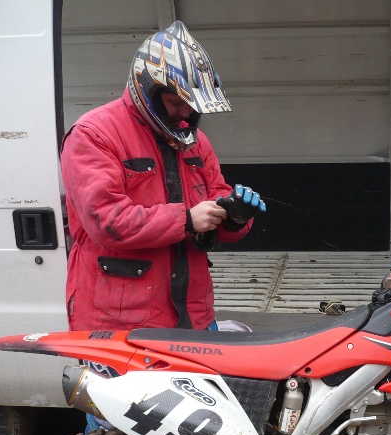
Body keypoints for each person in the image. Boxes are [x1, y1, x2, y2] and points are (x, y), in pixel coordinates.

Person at [60, 20, 265, 335]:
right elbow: (107, 221)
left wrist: (234, 217)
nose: (185, 114)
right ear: (147, 90)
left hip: (193, 317)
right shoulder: (94, 135)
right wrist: (187, 219)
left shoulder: (196, 142)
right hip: (119, 323)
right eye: (175, 103)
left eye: (191, 105)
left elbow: (214, 205)